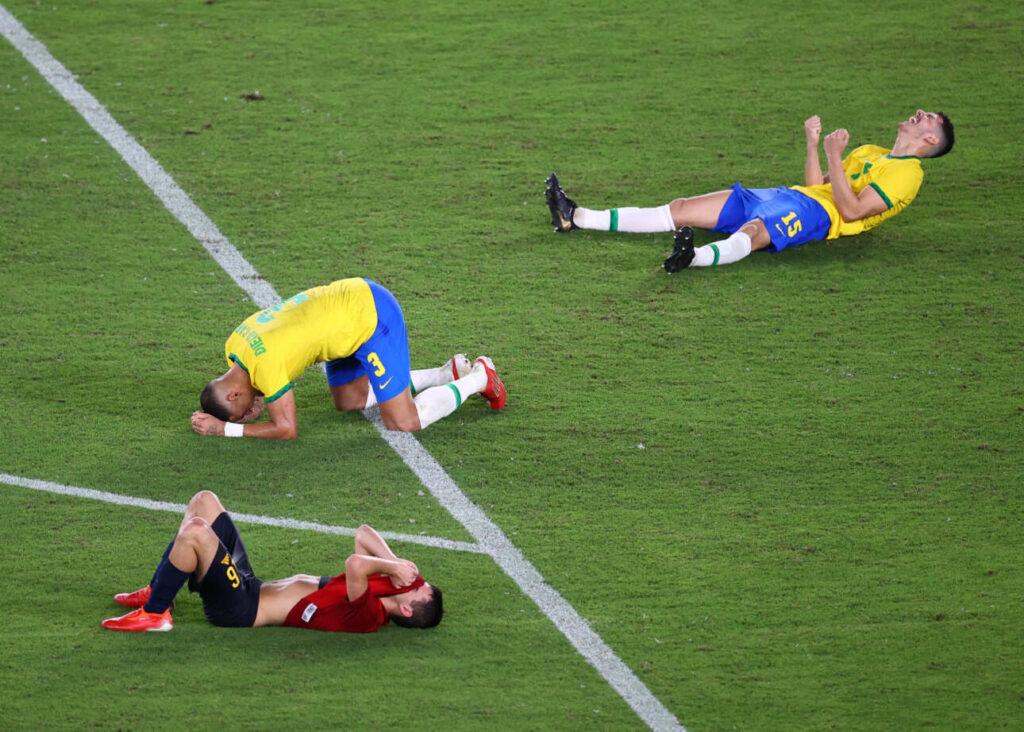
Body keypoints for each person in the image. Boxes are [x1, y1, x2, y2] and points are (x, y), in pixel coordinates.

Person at [545, 110, 954, 272]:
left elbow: (851, 211)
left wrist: (833, 154)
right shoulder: (871, 153)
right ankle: (576, 216)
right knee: (683, 207)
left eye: (928, 118)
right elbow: (818, 186)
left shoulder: (907, 174)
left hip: (820, 217)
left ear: (931, 140)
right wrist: (813, 146)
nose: (919, 114)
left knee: (755, 231)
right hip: (792, 195)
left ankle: (692, 258)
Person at [191, 277, 506, 439]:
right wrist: (256, 397)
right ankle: (445, 374)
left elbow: (286, 429)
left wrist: (226, 430)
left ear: (232, 394)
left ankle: (480, 377)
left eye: (241, 412)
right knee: (350, 400)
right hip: (341, 307)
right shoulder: (235, 344)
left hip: (370, 318)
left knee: (403, 421)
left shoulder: (265, 366)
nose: (249, 413)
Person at [102, 490, 443, 632]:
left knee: (195, 532)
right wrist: (395, 560)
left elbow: (355, 563)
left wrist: (391, 567)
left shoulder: (369, 615)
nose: (414, 579)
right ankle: (159, 591)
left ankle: (155, 615)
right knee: (204, 501)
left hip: (240, 609)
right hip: (251, 585)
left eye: (418, 587)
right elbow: (363, 533)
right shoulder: (383, 587)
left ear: (406, 610)